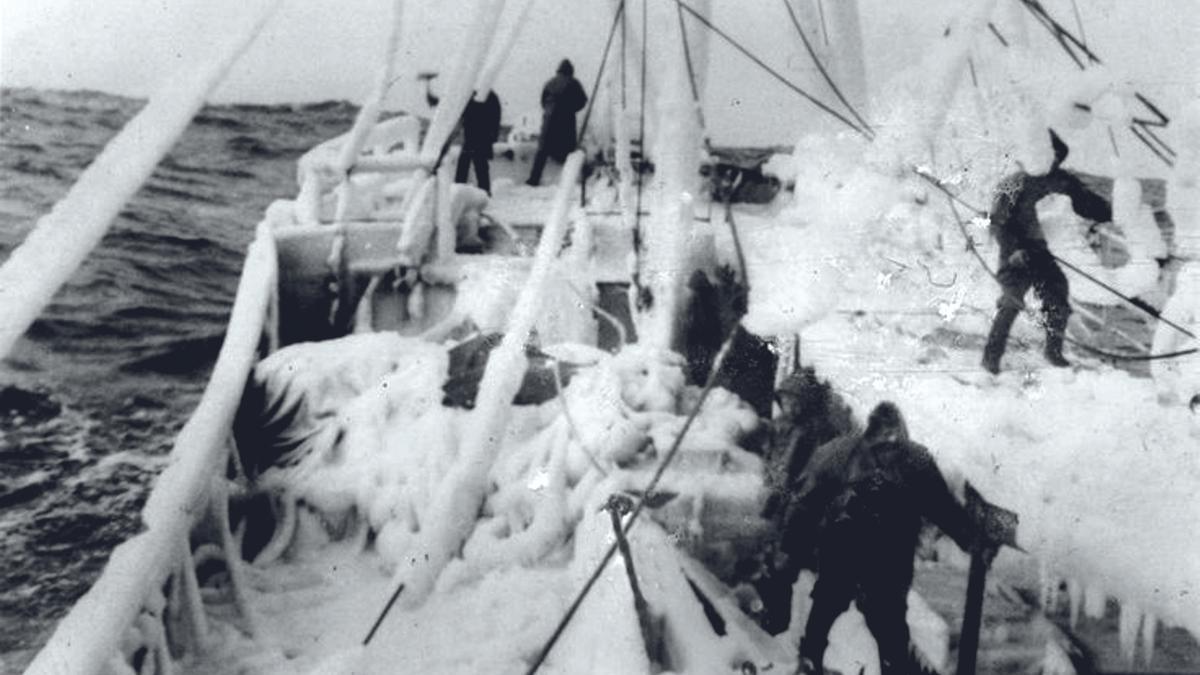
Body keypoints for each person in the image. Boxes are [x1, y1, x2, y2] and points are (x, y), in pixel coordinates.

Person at [780, 402, 989, 675]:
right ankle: (813, 660)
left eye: (892, 445)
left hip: (876, 551)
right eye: (883, 444)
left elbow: (942, 506)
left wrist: (971, 538)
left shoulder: (906, 461)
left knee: (875, 618)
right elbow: (806, 504)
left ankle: (879, 667)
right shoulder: (847, 455)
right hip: (856, 547)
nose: (887, 452)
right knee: (838, 606)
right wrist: (791, 551)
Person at [982, 130, 1113, 374]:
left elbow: (1086, 203)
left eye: (1053, 156)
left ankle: (1053, 352)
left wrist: (1110, 212)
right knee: (1012, 300)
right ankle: (991, 357)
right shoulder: (1011, 184)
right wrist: (1014, 249)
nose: (1051, 161)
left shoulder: (1062, 181)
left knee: (1058, 298)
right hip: (1016, 254)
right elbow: (999, 223)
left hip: (1042, 253)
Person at [526, 59, 587, 186]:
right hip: (566, 121)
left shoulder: (550, 82)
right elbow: (583, 100)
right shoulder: (574, 82)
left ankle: (534, 179)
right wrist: (571, 109)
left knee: (542, 151)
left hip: (548, 120)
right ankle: (569, 181)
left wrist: (549, 110)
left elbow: (543, 101)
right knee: (570, 151)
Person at [455, 89, 502, 195]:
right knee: (471, 164)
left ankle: (481, 192)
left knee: (477, 165)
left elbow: (495, 117)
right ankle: (463, 190)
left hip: (480, 136)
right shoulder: (486, 95)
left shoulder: (487, 96)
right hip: (473, 135)